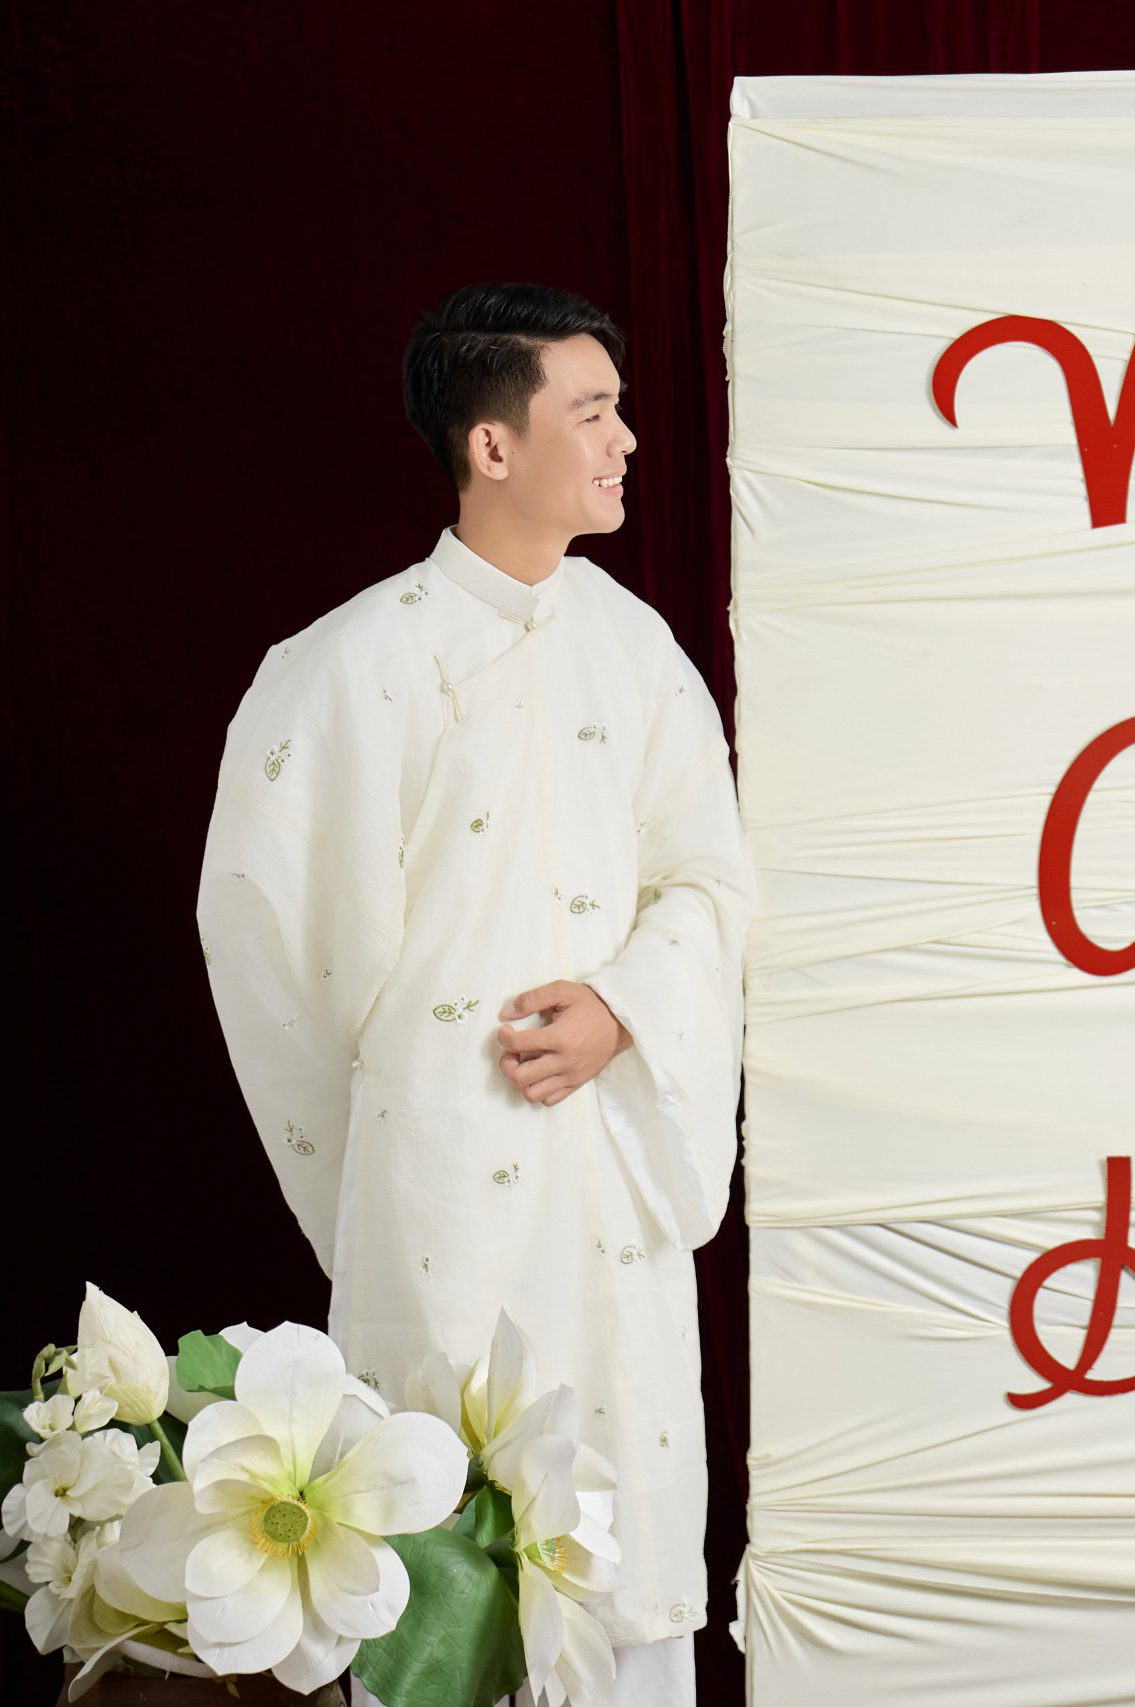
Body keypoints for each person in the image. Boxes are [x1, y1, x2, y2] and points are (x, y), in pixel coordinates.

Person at [196, 282, 757, 1706]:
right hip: (439, 1184)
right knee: (445, 1553)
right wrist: (399, 1126)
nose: (626, 442)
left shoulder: (636, 651)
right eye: (594, 413)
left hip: (611, 1163)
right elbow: (264, 936)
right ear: (492, 446)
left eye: (620, 412)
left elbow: (710, 877)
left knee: (621, 1543)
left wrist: (627, 1007)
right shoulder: (343, 668)